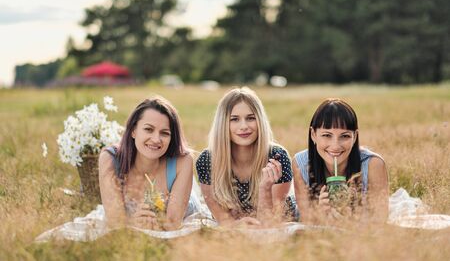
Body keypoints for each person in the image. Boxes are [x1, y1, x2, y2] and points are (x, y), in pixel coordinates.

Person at [196, 87, 294, 227]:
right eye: (234, 119)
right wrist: (237, 225)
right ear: (223, 123)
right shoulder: (207, 160)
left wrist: (264, 188)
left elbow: (268, 223)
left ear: (260, 120)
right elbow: (224, 221)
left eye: (251, 118)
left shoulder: (277, 157)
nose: (244, 126)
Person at [98, 96, 194, 231]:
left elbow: (173, 223)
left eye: (164, 133)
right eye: (148, 129)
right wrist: (134, 223)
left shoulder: (183, 161)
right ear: (133, 130)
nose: (156, 139)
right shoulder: (110, 158)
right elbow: (115, 223)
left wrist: (154, 224)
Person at [293, 98, 388, 224]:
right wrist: (319, 214)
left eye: (345, 136)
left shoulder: (373, 165)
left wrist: (355, 220)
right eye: (327, 135)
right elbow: (305, 220)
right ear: (313, 134)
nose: (335, 146)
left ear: (354, 137)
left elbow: (380, 221)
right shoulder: (301, 164)